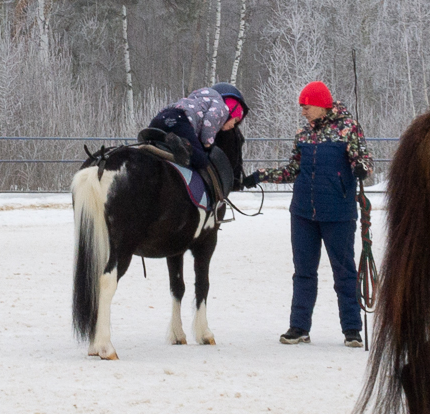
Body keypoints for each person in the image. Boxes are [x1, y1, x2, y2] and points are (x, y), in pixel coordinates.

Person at [245, 80, 375, 346]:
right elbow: (292, 171)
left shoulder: (348, 128)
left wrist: (362, 167)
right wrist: (260, 175)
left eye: (306, 106)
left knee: (344, 270)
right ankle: (299, 327)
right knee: (303, 271)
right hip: (303, 212)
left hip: (338, 212)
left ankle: (352, 329)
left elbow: (365, 161)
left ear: (321, 105)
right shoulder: (303, 135)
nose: (302, 111)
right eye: (301, 107)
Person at [144, 82, 248, 210]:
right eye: (235, 120)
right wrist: (208, 144)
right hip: (180, 120)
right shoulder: (222, 108)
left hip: (160, 118)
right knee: (200, 159)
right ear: (230, 112)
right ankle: (180, 144)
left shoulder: (196, 100)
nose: (233, 126)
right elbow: (209, 124)